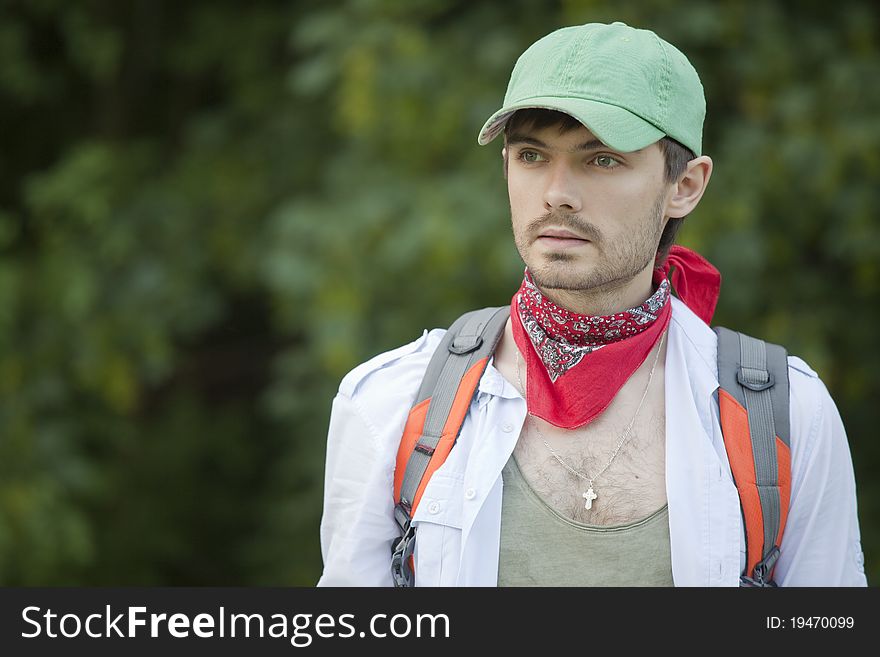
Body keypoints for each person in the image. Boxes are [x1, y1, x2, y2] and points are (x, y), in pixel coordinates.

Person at [316, 22, 867, 586]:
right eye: (532, 155)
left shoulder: (785, 415)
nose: (557, 192)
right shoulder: (390, 402)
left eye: (602, 159)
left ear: (686, 186)